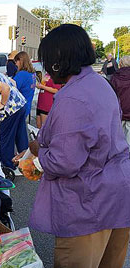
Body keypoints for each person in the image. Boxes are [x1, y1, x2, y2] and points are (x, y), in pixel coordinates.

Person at [29, 24, 130, 268]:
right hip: (118, 195)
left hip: (87, 203)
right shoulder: (99, 83)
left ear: (57, 60)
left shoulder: (73, 97)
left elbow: (64, 162)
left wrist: (36, 151)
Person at [111, 55, 130, 146]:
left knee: (119, 137)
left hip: (120, 110)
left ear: (120, 64)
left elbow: (111, 95)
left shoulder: (115, 77)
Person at [13, 51, 37, 117]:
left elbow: (12, 89)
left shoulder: (22, 74)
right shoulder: (32, 74)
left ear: (20, 61)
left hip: (19, 108)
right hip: (27, 105)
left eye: (16, 61)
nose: (15, 64)